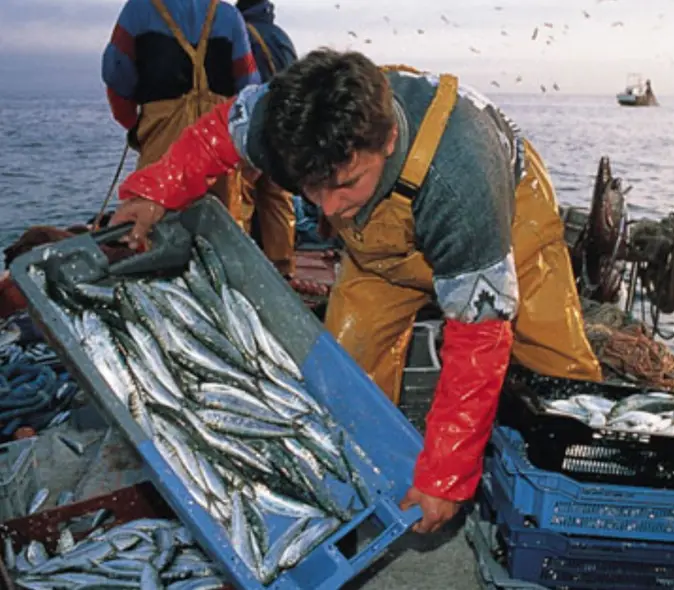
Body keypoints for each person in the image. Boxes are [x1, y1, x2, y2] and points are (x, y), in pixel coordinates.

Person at [108, 49, 604, 534]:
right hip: (380, 249)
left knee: (557, 364)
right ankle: (363, 491)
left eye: (345, 184)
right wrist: (153, 193)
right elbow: (217, 134)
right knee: (345, 378)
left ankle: (588, 499)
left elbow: (479, 335)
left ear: (388, 140)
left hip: (506, 218)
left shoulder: (461, 180)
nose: (329, 208)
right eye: (312, 188)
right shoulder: (284, 121)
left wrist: (445, 477)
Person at [101, 0, 260, 220]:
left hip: (160, 134)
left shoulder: (138, 9)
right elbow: (248, 86)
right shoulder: (230, 16)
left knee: (152, 222)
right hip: (220, 140)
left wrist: (135, 125)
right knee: (221, 223)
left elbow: (116, 75)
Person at [235, 0, 298, 277]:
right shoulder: (281, 36)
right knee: (278, 198)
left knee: (242, 197)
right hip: (283, 130)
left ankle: (242, 270)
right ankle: (283, 268)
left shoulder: (240, 32)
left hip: (253, 127)